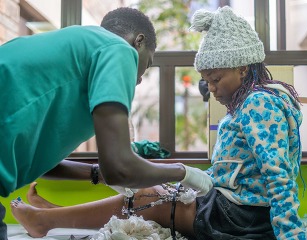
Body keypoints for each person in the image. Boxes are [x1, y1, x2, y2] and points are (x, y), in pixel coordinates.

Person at [9, 6, 307, 240]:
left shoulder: (260, 103)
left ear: (243, 67)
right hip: (233, 208)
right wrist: (186, 176)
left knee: (152, 196)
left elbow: (278, 176)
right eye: (208, 82)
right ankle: (54, 216)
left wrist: (291, 235)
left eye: (215, 80)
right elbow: (115, 168)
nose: (212, 89)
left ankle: (48, 220)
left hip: (242, 218)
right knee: (155, 192)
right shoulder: (244, 107)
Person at [0, 7, 213, 239]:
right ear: (138, 42)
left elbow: (37, 162)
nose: (140, 79)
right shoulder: (118, 49)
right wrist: (183, 172)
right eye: (148, 64)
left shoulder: (78, 46)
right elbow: (119, 168)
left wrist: (96, 173)